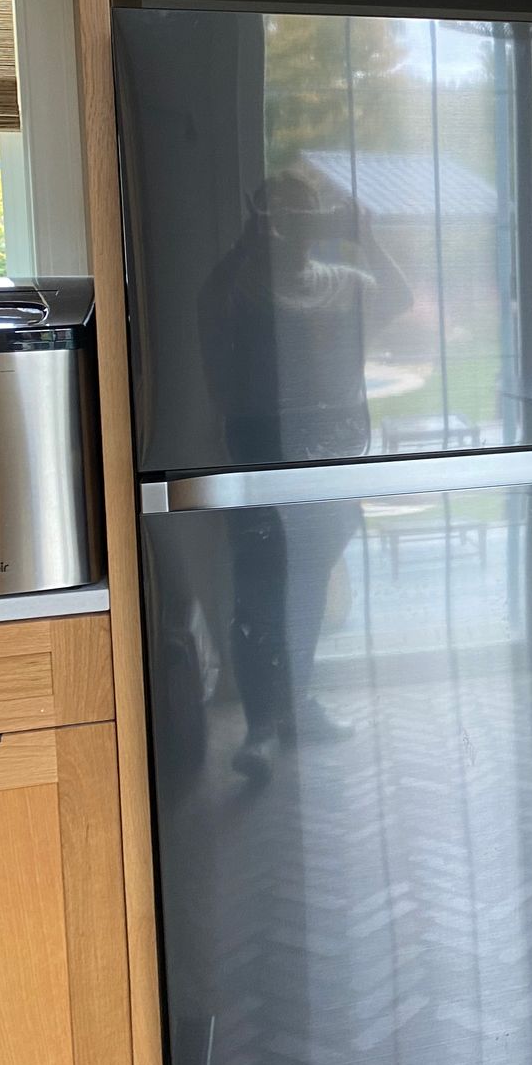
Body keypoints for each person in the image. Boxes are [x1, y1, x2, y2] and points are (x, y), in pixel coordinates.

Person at [197, 167, 413, 782]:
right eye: (280, 212)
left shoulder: (342, 283)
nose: (294, 223)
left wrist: (363, 236)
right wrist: (248, 244)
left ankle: (297, 706)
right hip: (259, 456)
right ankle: (262, 723)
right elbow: (209, 322)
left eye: (305, 210)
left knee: (309, 587)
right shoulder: (238, 283)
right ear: (258, 217)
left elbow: (400, 299)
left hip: (332, 457)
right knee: (260, 589)